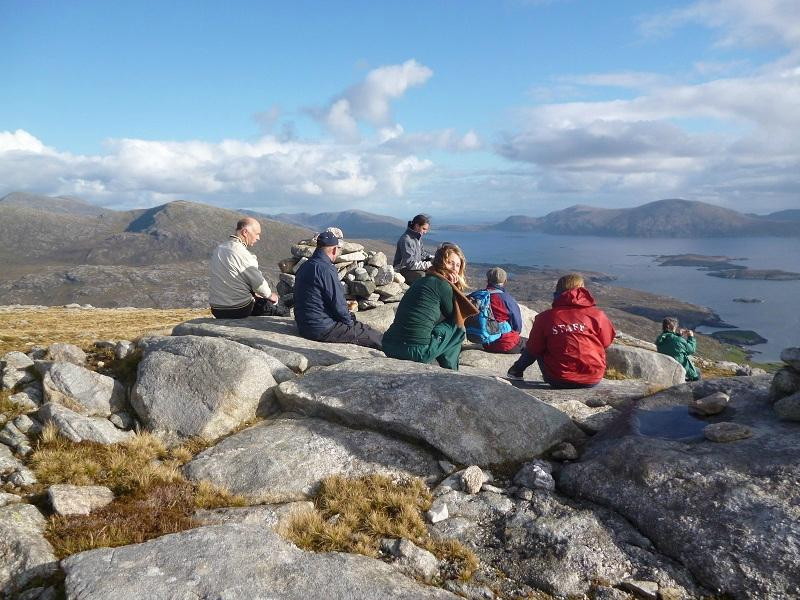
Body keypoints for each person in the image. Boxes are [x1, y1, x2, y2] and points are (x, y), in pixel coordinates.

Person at [507, 273, 615, 388]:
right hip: (593, 378)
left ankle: (516, 372)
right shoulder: (597, 315)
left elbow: (533, 348)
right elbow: (606, 341)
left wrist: (518, 367)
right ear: (583, 290)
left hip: (558, 379)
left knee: (539, 344)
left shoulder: (545, 318)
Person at [382, 243, 478, 370]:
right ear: (440, 263)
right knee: (457, 328)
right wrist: (453, 287)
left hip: (389, 345)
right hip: (416, 352)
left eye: (458, 265)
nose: (454, 268)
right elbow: (455, 316)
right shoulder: (442, 285)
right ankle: (451, 373)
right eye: (450, 263)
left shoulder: (421, 281)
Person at [293, 229, 383, 349]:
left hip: (304, 326)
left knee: (360, 327)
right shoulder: (325, 269)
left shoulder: (305, 265)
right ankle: (393, 348)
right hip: (322, 328)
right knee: (367, 333)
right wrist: (350, 323)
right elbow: (338, 303)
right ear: (335, 249)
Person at [209, 217, 288, 319]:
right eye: (257, 234)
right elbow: (259, 284)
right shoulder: (242, 254)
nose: (258, 238)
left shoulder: (219, 249)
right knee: (282, 309)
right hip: (238, 309)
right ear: (245, 232)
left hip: (216, 309)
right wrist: (270, 296)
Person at [469, 267, 524, 353]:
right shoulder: (507, 299)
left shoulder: (476, 296)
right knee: (532, 345)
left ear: (487, 280)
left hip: (486, 343)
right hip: (506, 344)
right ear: (505, 281)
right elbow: (517, 327)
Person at [656, 317, 701, 381]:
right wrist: (691, 337)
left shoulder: (661, 338)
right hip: (681, 369)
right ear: (671, 326)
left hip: (667, 367)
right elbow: (691, 350)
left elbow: (672, 344)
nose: (676, 327)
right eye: (676, 325)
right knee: (697, 371)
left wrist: (678, 335)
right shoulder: (678, 340)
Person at [393, 214, 434, 284]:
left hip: (413, 267)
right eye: (424, 229)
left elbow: (422, 254)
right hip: (402, 269)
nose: (425, 232)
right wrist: (429, 264)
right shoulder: (406, 239)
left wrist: (434, 258)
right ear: (417, 226)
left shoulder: (417, 238)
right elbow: (410, 264)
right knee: (423, 276)